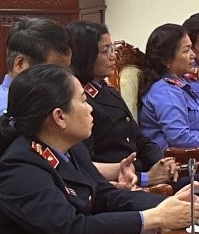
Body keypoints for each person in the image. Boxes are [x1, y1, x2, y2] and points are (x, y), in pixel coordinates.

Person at [0, 64, 199, 234]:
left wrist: (171, 203)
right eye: (82, 100)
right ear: (59, 117)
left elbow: (106, 197)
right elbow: (72, 228)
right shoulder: (19, 168)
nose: (90, 108)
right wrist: (154, 217)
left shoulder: (71, 148)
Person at [67, 21, 177, 189]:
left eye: (112, 49)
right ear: (85, 55)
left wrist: (162, 163)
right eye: (105, 51)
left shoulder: (108, 91)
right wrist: (145, 178)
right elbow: (85, 165)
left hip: (143, 174)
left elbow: (140, 140)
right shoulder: (80, 102)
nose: (113, 56)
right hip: (117, 185)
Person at [0, 17, 72, 142]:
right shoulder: (4, 115)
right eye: (52, 71)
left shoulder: (38, 100)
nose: (64, 79)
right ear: (20, 64)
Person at [138, 24, 199, 152]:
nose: (193, 55)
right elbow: (179, 137)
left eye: (191, 48)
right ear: (166, 60)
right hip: (188, 159)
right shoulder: (165, 91)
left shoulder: (183, 84)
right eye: (186, 50)